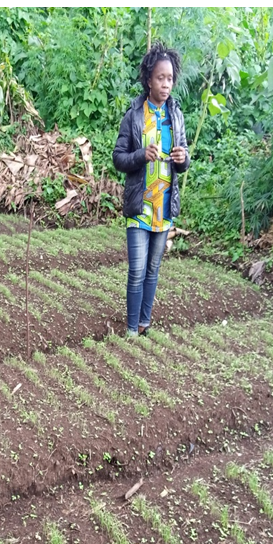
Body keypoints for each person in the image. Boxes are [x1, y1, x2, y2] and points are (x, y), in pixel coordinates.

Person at [112, 42, 189, 339]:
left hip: (164, 205)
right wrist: (141, 155)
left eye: (170, 78)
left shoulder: (175, 115)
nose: (166, 84)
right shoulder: (134, 114)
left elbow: (182, 161)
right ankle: (131, 329)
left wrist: (183, 160)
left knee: (153, 269)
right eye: (161, 78)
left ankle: (145, 323)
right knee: (136, 270)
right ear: (149, 80)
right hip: (139, 205)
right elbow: (119, 157)